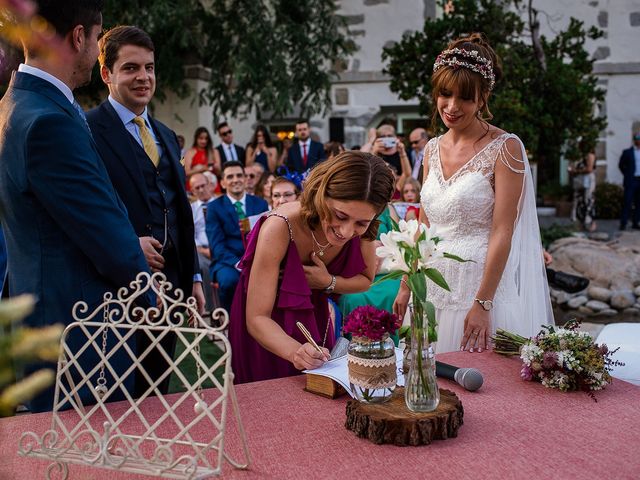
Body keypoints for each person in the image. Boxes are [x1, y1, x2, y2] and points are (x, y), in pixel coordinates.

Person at [0, 0, 152, 412]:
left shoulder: (19, 106)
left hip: (45, 323)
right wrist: (153, 304)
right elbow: (106, 236)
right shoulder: (47, 122)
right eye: (98, 37)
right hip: (80, 335)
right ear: (80, 36)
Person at [393, 33, 553, 354]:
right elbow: (423, 227)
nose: (452, 107)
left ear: (483, 98)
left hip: (479, 290)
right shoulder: (431, 149)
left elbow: (502, 231)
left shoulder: (505, 148)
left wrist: (483, 303)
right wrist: (406, 285)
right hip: (433, 291)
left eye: (465, 97)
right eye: (445, 94)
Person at [86, 25, 205, 395]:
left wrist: (194, 277)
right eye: (131, 68)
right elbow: (88, 209)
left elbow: (179, 208)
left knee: (158, 391)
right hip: (117, 285)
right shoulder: (86, 130)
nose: (143, 77)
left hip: (170, 282)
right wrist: (126, 242)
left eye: (149, 68)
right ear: (106, 74)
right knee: (118, 396)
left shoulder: (166, 135)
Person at [229, 151, 395, 384]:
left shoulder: (366, 227)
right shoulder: (281, 226)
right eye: (340, 215)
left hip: (314, 317)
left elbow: (366, 279)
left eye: (361, 223)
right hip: (266, 327)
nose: (347, 232)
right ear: (322, 195)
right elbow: (257, 317)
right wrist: (295, 352)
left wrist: (328, 282)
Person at [206, 161, 269, 311]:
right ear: (222, 182)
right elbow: (217, 247)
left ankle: (262, 321)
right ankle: (230, 321)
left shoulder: (260, 204)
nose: (236, 180)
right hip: (227, 261)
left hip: (256, 259)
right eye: (230, 176)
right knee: (229, 281)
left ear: (246, 179)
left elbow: (266, 238)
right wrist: (239, 264)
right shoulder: (214, 207)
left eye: (239, 175)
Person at [189, 173, 215, 311]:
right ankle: (211, 311)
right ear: (192, 191)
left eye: (203, 185)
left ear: (210, 185)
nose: (201, 190)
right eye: (196, 187)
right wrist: (203, 250)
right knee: (204, 267)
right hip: (200, 250)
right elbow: (189, 235)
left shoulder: (221, 204)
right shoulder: (190, 209)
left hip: (220, 248)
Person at [569, 146, 597, 232]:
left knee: (588, 201)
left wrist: (576, 171)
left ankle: (590, 223)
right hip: (580, 182)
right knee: (579, 202)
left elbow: (589, 169)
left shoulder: (590, 155)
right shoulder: (578, 156)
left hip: (587, 182)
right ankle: (580, 223)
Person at [619, 131, 640, 230]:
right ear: (635, 141)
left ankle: (636, 222)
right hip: (631, 180)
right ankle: (623, 223)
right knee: (627, 201)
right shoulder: (627, 152)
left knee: (638, 203)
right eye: (637, 140)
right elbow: (621, 165)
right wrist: (627, 174)